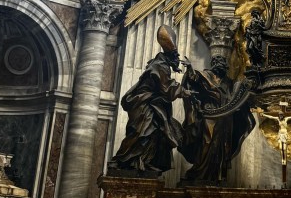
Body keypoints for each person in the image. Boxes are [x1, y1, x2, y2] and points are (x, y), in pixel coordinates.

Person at [108, 24, 188, 175]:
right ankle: (124, 160)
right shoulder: (160, 66)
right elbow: (167, 88)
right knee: (142, 132)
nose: (177, 61)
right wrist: (184, 91)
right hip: (144, 105)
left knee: (155, 134)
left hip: (151, 105)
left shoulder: (161, 64)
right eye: (176, 57)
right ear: (171, 56)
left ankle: (143, 161)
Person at [180, 55, 254, 183]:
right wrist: (190, 67)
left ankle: (216, 175)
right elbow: (194, 78)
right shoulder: (206, 75)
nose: (221, 65)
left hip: (226, 118)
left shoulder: (228, 82)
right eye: (218, 62)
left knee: (222, 146)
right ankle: (200, 172)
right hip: (210, 115)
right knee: (207, 142)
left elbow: (235, 99)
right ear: (213, 64)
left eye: (223, 63)